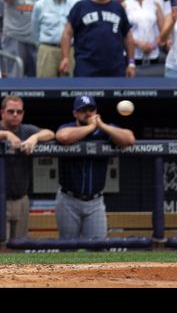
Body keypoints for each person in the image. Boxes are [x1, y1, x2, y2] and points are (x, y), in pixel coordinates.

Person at [54, 95, 136, 240]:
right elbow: (62, 137)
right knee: (67, 247)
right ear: (75, 113)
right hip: (69, 200)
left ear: (96, 111)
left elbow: (129, 139)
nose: (88, 113)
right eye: (83, 110)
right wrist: (90, 127)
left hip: (95, 202)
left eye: (91, 109)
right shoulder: (68, 127)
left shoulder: (104, 130)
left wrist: (101, 126)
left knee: (98, 247)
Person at [0, 95, 55, 242]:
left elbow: (50, 133)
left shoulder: (27, 130)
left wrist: (35, 138)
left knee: (20, 248)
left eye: (19, 112)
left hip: (21, 200)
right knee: (0, 248)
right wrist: (7, 134)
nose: (15, 115)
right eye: (11, 111)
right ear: (2, 113)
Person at [61, 0, 136, 78]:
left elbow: (128, 36)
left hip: (115, 68)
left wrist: (131, 63)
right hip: (86, 68)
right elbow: (67, 33)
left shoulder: (118, 8)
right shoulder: (80, 7)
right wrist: (65, 57)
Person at [32, 0, 79, 77]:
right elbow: (35, 30)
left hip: (71, 50)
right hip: (47, 50)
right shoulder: (40, 5)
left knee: (70, 88)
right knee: (45, 88)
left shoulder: (77, 3)